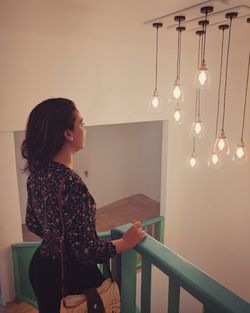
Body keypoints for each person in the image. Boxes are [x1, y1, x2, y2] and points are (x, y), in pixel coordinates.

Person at [22, 98, 146, 313]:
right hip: (70, 279)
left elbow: (33, 222)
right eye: (81, 123)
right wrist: (125, 242)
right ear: (67, 133)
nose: (84, 129)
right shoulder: (69, 182)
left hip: (42, 269)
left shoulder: (37, 175)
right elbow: (86, 251)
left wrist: (57, 235)